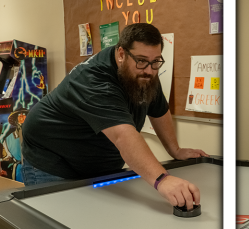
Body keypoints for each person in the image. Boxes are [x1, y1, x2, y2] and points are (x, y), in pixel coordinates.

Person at [21, 23, 208, 210]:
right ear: (121, 54)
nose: (150, 70)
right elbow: (123, 135)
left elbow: (159, 110)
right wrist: (162, 180)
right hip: (52, 157)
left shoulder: (144, 70)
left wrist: (175, 150)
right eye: (142, 60)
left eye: (156, 61)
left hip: (95, 160)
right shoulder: (95, 80)